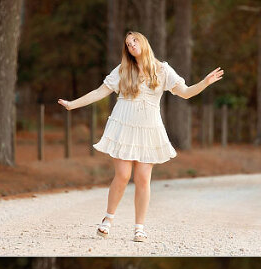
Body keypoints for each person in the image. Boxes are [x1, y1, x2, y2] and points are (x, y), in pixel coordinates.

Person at [58, 31, 223, 242]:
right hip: (124, 126)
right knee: (123, 175)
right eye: (127, 44)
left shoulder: (162, 69)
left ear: (144, 42)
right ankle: (107, 220)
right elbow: (99, 92)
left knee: (143, 179)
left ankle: (139, 228)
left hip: (148, 129)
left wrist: (205, 82)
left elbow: (186, 92)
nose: (131, 45)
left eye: (134, 40)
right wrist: (72, 104)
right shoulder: (123, 70)